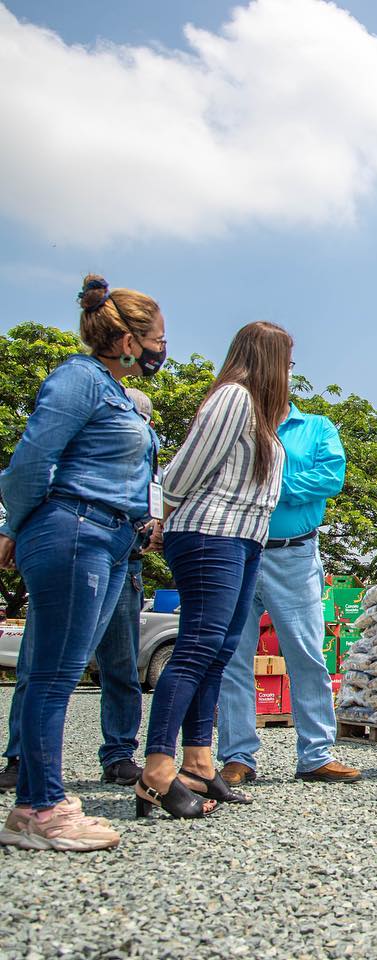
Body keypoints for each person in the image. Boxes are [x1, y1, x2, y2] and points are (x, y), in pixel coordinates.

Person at [0, 275, 163, 851]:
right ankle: (40, 809)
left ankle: (38, 801)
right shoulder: (79, 379)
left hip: (112, 539)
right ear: (128, 341)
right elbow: (30, 463)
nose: (161, 350)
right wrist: (16, 526)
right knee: (52, 675)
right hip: (76, 531)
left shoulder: (116, 391)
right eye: (157, 339)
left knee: (63, 672)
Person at [139, 322, 291, 819]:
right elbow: (183, 470)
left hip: (243, 540)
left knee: (220, 651)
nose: (291, 372)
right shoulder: (233, 399)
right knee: (197, 647)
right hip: (211, 533)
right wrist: (162, 516)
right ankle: (156, 771)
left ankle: (199, 763)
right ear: (268, 360)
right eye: (287, 361)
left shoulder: (261, 414)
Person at [0, 388, 157, 794]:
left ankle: (119, 755)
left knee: (120, 665)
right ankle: (22, 758)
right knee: (39, 662)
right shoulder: (76, 447)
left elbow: (153, 501)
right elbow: (31, 475)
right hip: (75, 551)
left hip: (125, 560)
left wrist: (153, 526)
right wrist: (14, 529)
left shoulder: (148, 455)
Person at [216, 397, 360, 785]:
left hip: (294, 554)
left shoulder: (316, 427)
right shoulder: (240, 422)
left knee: (307, 655)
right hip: (240, 547)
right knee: (233, 658)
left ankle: (316, 755)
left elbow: (330, 477)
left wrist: (270, 486)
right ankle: (237, 756)